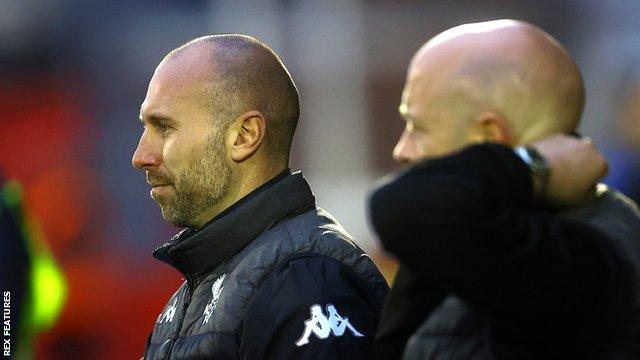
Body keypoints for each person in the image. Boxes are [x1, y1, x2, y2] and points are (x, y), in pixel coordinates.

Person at [369, 20, 640, 359]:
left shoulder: (588, 249)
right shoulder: (467, 220)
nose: (403, 149)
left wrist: (531, 164)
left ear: (490, 137)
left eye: (418, 127)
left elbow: (402, 207)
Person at [133, 34, 388, 359]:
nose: (141, 155)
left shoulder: (305, 283)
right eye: (145, 127)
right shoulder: (201, 287)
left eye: (164, 128)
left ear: (244, 136)